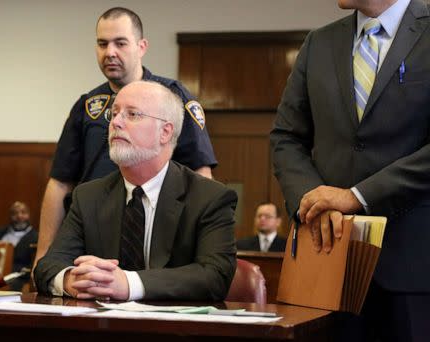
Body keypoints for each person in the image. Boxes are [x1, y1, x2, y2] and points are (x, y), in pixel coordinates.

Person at [270, 0, 430, 340]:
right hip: (327, 265)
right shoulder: (319, 43)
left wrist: (356, 197)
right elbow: (287, 137)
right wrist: (312, 201)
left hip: (415, 272)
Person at [34, 7, 218, 268]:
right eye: (102, 43)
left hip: (158, 236)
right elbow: (59, 183)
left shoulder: (173, 98)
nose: (110, 52)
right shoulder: (87, 106)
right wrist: (43, 255)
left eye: (120, 43)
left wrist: (200, 247)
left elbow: (200, 174)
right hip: (95, 234)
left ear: (141, 46)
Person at [35, 81, 237, 301]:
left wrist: (129, 284)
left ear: (165, 132)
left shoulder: (210, 198)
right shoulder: (88, 197)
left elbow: (215, 277)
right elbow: (48, 265)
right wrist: (71, 280)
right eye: (114, 113)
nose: (116, 123)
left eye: (132, 114)